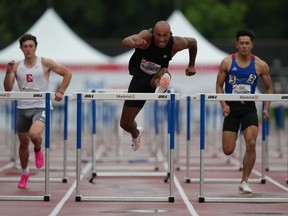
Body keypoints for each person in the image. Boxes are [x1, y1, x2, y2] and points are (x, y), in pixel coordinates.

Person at [3, 34, 72, 189]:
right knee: (22, 144)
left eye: (31, 46)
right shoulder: (16, 66)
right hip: (22, 108)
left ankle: (38, 149)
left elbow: (67, 73)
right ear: (21, 48)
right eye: (25, 46)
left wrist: (60, 91)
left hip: (41, 106)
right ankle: (25, 173)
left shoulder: (45, 63)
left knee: (34, 134)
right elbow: (7, 89)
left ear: (35, 47)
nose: (28, 49)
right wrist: (8, 72)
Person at [119, 21, 197, 151]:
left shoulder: (176, 43)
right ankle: (136, 133)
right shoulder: (146, 37)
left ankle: (160, 86)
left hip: (156, 76)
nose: (162, 39)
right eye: (158, 35)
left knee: (164, 73)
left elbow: (193, 43)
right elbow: (125, 41)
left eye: (165, 35)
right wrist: (135, 42)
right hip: (139, 80)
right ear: (153, 33)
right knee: (125, 124)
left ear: (170, 34)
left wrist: (191, 65)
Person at [216, 29, 273, 194]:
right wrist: (223, 104)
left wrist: (266, 107)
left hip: (249, 108)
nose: (244, 46)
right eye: (241, 43)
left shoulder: (260, 65)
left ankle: (244, 181)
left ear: (252, 45)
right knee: (228, 150)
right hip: (232, 109)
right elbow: (219, 85)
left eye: (247, 43)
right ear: (236, 44)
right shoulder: (227, 62)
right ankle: (234, 137)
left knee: (251, 142)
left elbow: (269, 88)